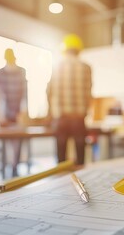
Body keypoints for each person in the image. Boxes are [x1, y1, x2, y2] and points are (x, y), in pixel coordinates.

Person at [47, 34, 92, 165]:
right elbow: (88, 92)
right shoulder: (86, 67)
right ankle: (81, 180)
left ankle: (61, 181)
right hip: (78, 118)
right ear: (79, 50)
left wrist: (50, 114)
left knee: (61, 158)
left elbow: (49, 92)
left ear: (64, 50)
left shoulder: (56, 67)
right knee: (80, 159)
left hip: (61, 118)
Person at [0, 48, 28, 176]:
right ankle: (4, 164)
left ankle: (15, 166)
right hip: (3, 115)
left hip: (17, 114)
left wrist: (24, 112)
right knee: (5, 141)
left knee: (17, 143)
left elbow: (25, 94)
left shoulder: (21, 72)